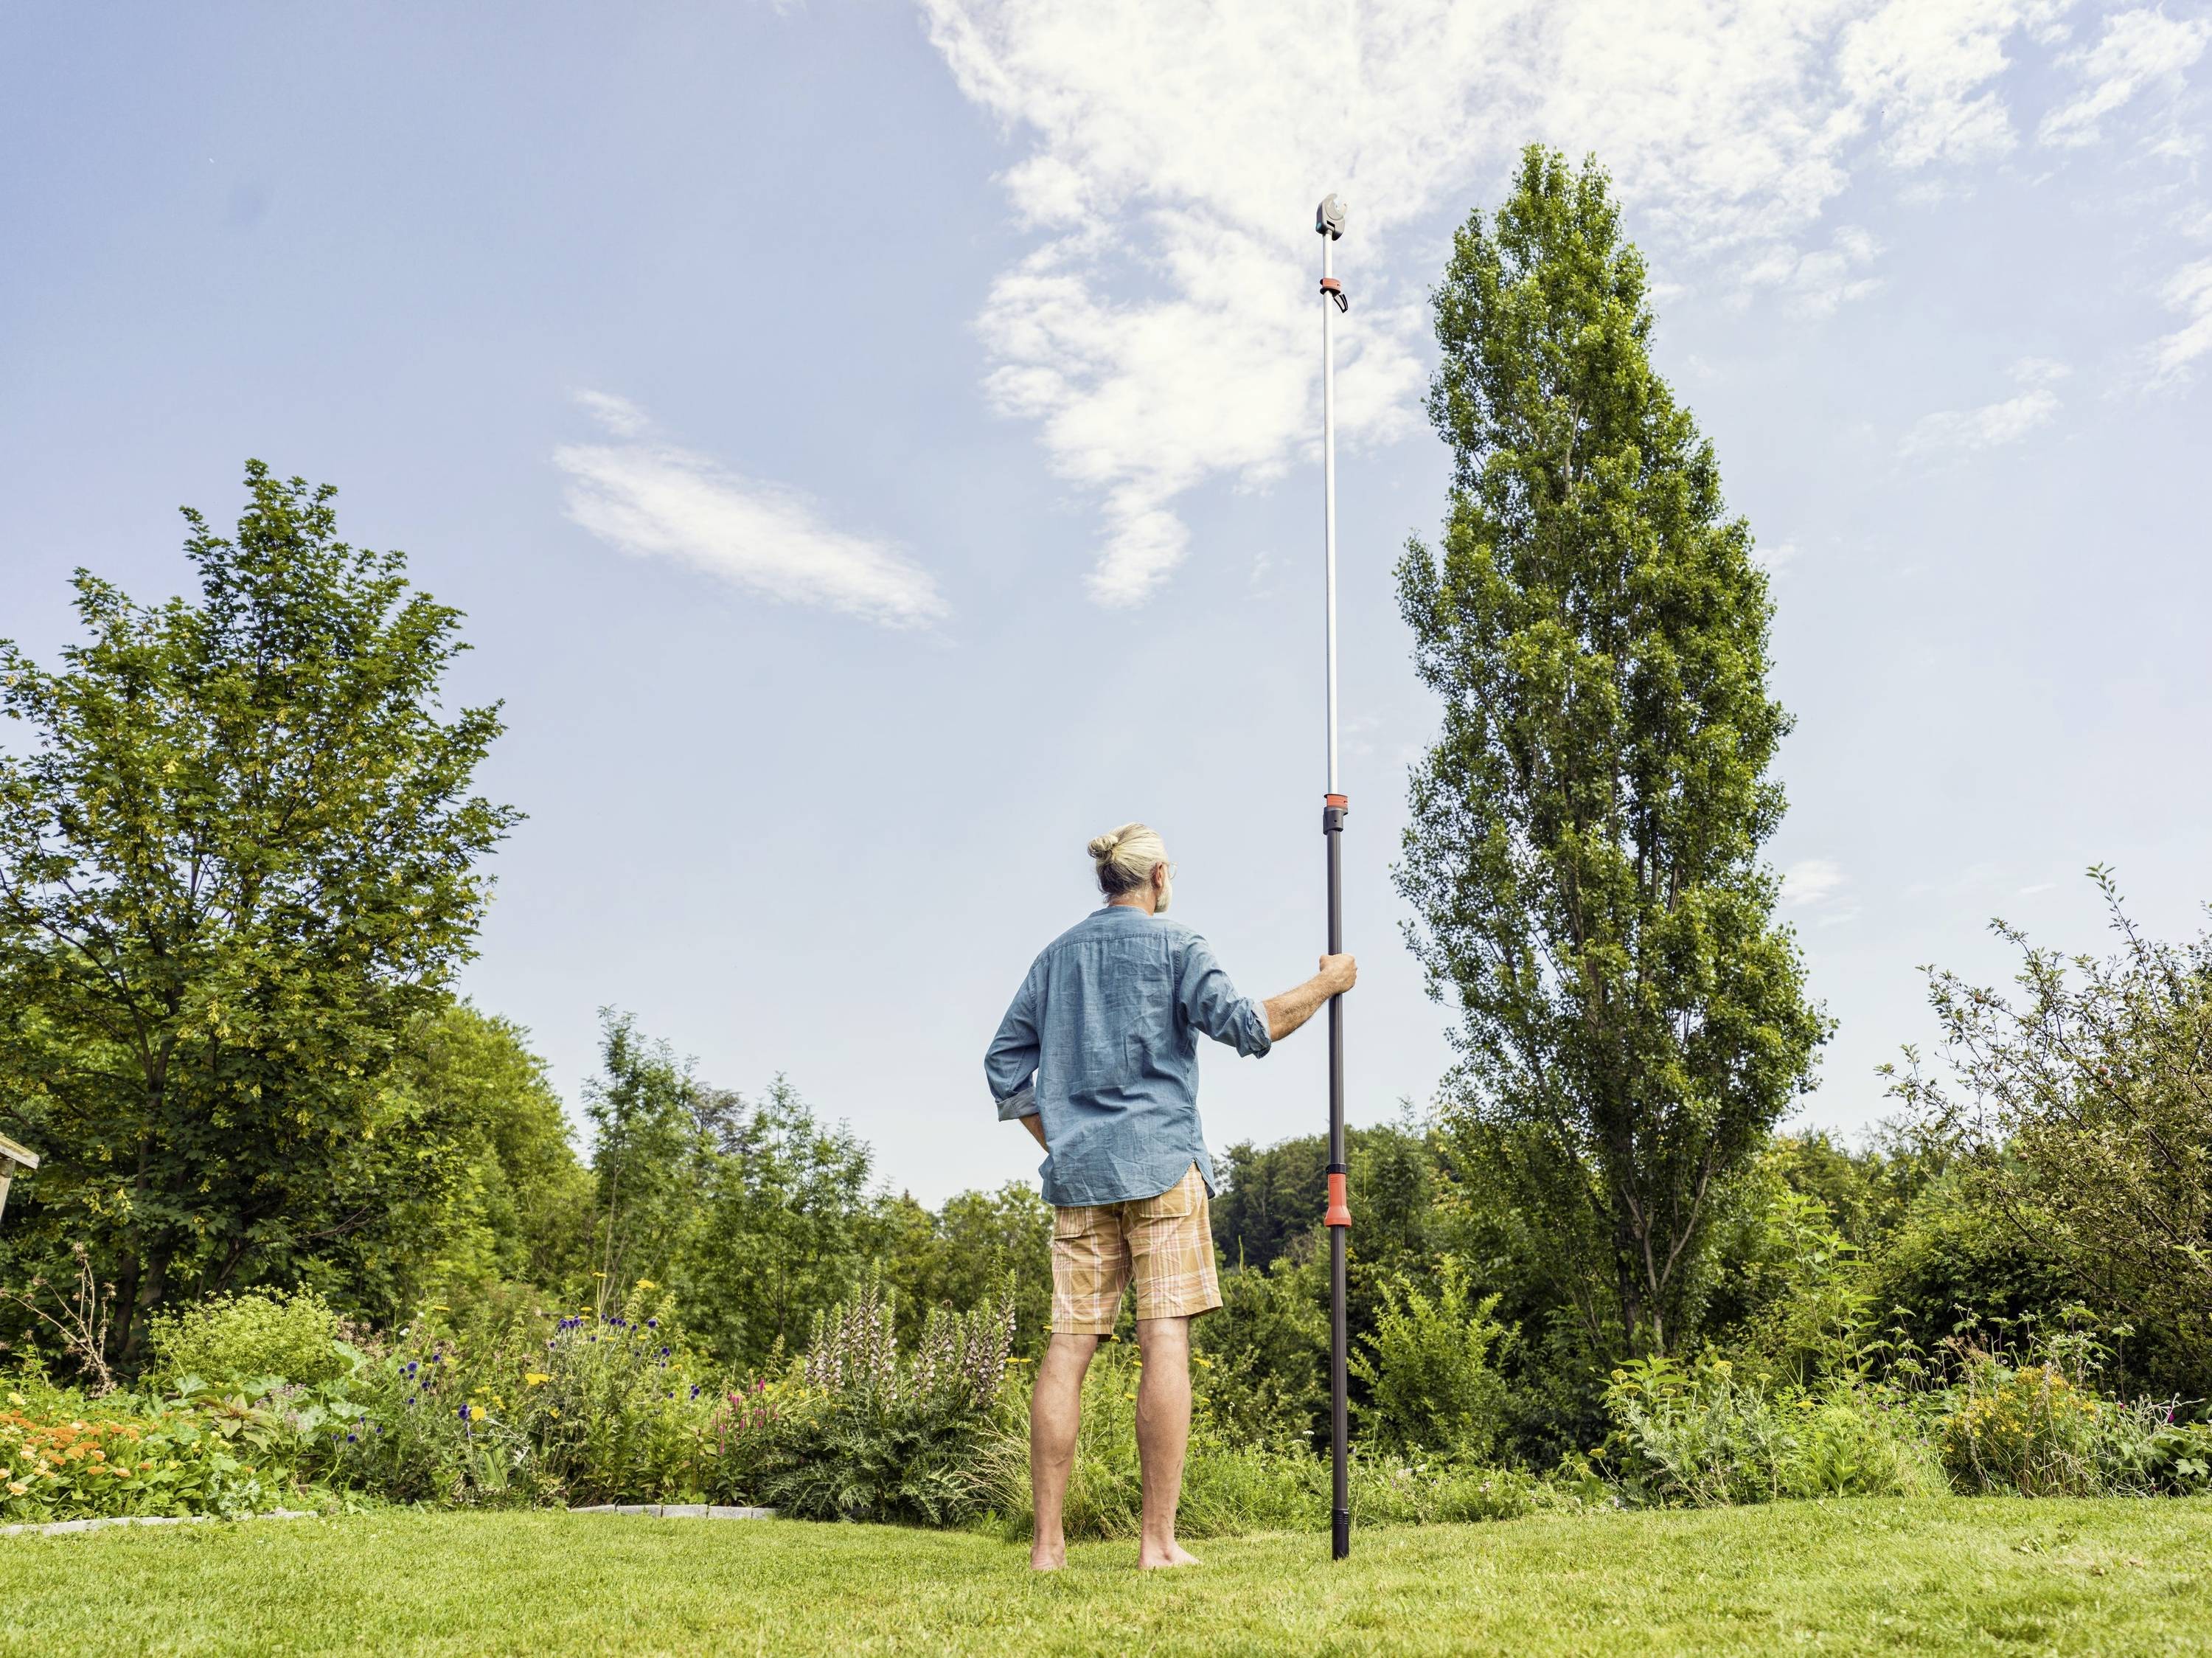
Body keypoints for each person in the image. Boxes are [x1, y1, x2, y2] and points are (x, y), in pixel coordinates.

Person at [984, 822, 1356, 1571]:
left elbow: (1002, 1063)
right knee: (1165, 1339)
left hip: (1080, 1180)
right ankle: (1157, 1544)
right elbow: (1252, 1027)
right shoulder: (1178, 945)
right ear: (1159, 879)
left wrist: (1059, 1138)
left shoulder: (1055, 959)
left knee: (1068, 1346)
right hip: (1162, 1168)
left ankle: (1047, 1549)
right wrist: (1329, 981)